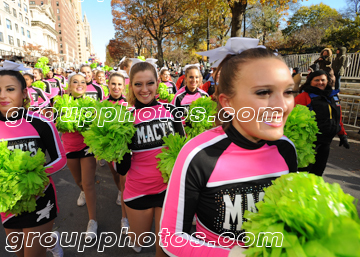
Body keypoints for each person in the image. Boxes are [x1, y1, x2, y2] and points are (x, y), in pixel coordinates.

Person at [160, 42, 298, 256]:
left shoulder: (287, 149)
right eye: (263, 92)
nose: (282, 105)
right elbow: (171, 238)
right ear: (228, 102)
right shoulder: (198, 155)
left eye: (288, 91)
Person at [0, 65, 66, 257]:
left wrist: (27, 178)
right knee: (19, 253)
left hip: (40, 198)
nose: (2, 95)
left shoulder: (42, 124)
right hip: (7, 205)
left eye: (10, 89)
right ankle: (51, 241)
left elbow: (60, 159)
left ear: (23, 93)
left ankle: (48, 240)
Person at [115, 61, 186, 255]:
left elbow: (182, 153)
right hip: (139, 190)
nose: (145, 89)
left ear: (157, 84)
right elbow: (121, 169)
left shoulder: (172, 112)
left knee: (163, 246)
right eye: (138, 84)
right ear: (131, 86)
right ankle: (133, 233)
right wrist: (121, 149)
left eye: (150, 83)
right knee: (139, 238)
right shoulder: (125, 118)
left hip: (168, 190)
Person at [61, 72, 98, 241]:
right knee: (79, 181)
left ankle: (92, 221)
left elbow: (98, 124)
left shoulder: (91, 103)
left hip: (87, 146)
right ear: (69, 86)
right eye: (75, 82)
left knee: (89, 183)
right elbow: (57, 124)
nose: (79, 84)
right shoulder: (60, 103)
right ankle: (81, 191)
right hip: (70, 147)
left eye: (82, 82)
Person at [295, 70, 349, 176]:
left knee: (318, 173)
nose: (320, 82)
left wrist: (343, 135)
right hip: (308, 144)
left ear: (327, 81)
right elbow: (293, 119)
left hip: (325, 143)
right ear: (310, 81)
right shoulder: (303, 97)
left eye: (323, 80)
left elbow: (338, 118)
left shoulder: (333, 96)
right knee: (302, 174)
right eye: (317, 80)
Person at [101, 72, 130, 234]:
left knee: (124, 181)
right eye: (113, 84)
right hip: (109, 148)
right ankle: (119, 191)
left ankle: (124, 218)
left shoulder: (129, 104)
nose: (116, 87)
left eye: (119, 84)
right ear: (108, 84)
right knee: (115, 176)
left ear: (124, 86)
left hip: (125, 150)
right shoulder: (102, 103)